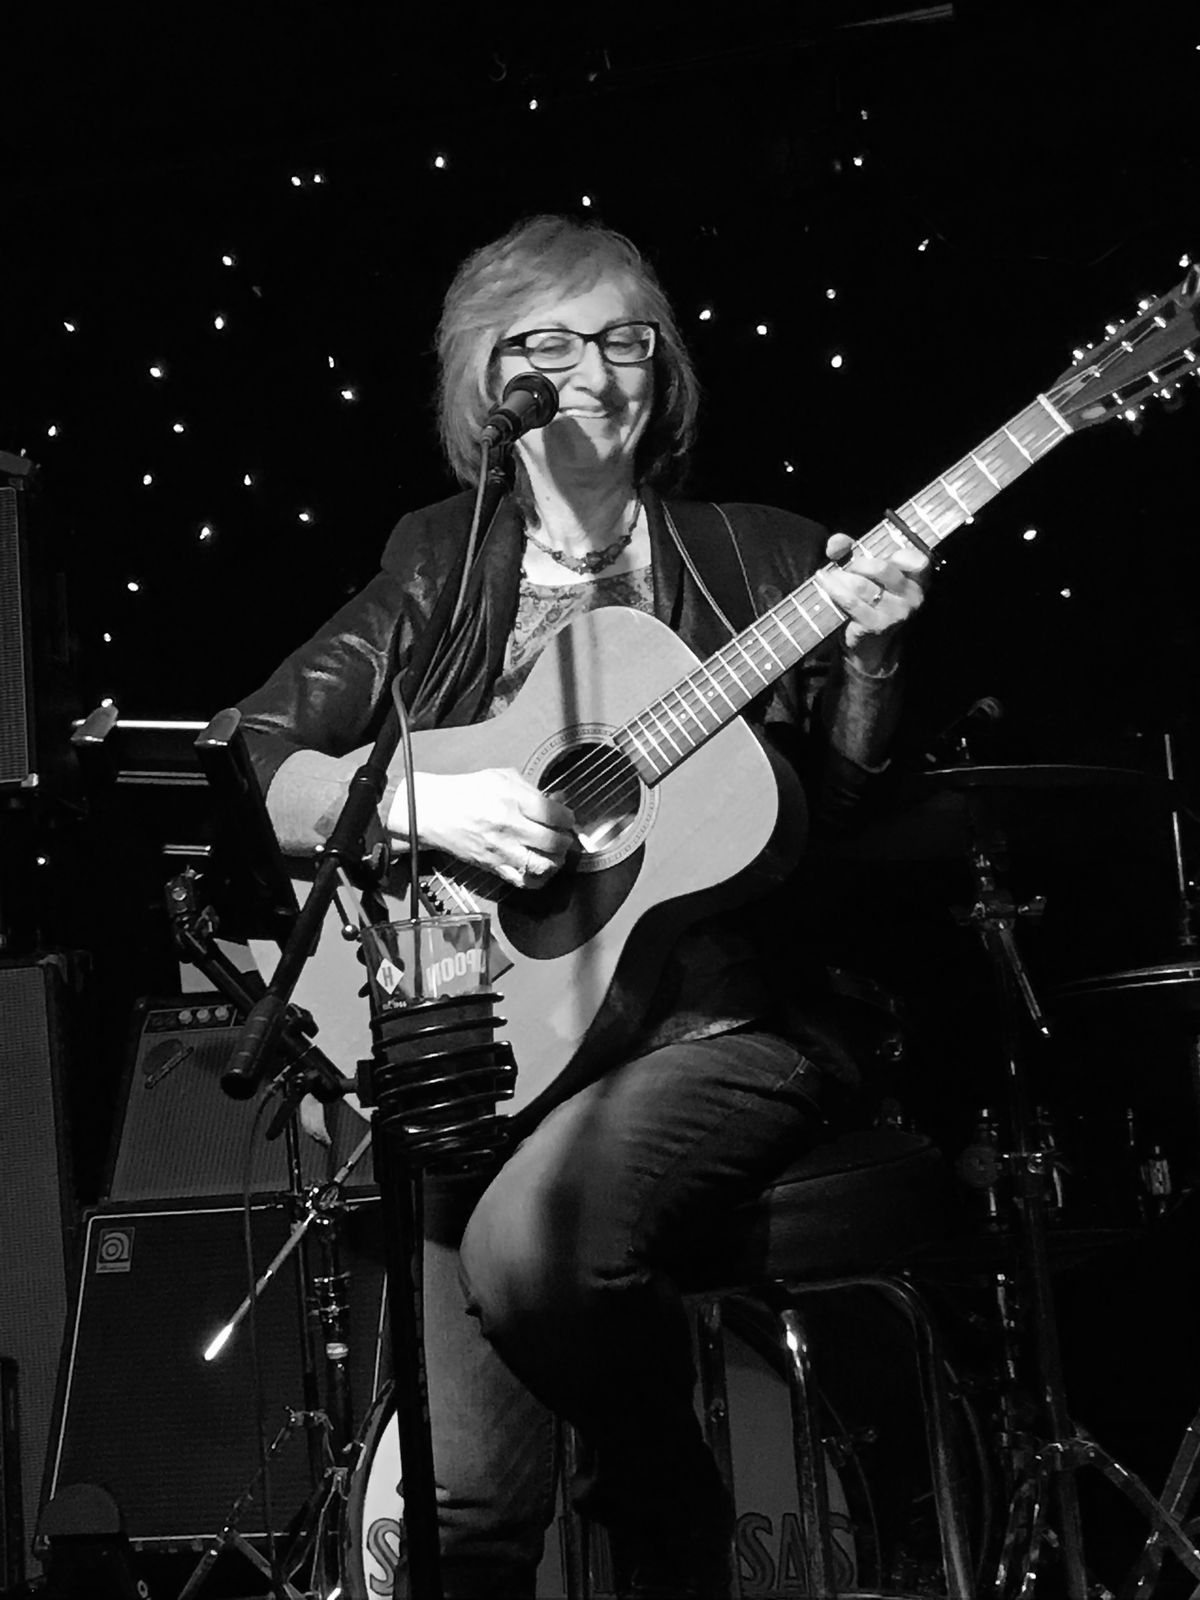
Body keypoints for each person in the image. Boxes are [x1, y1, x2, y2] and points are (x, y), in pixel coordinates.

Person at [236, 214, 928, 1599]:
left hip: (718, 1029)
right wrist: (422, 801)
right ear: (486, 381)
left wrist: (872, 665)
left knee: (528, 1252)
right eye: (548, 343)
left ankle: (667, 1509)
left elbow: (839, 817)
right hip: (494, 1039)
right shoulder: (439, 563)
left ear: (664, 372)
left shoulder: (766, 555)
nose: (597, 373)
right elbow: (261, 754)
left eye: (627, 340)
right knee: (464, 1509)